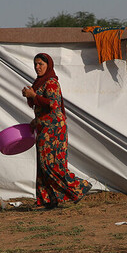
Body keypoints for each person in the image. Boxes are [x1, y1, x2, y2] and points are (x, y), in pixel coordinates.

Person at [22, 53, 92, 209]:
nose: (37, 67)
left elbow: (54, 104)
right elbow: (41, 106)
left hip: (54, 129)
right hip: (44, 127)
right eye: (35, 64)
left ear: (49, 65)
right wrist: (35, 114)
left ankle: (79, 187)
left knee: (53, 165)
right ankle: (46, 200)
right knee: (42, 165)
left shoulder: (51, 82)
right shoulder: (39, 82)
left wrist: (33, 95)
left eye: (41, 64)